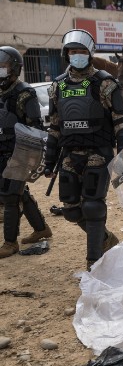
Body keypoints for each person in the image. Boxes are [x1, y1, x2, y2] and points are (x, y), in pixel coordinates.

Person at [44, 29, 123, 270]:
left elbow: (122, 123)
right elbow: (54, 126)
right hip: (70, 154)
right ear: (66, 54)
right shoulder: (58, 86)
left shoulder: (105, 83)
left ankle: (94, 260)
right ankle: (105, 238)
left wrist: (122, 156)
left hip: (98, 152)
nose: (77, 55)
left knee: (92, 206)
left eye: (82, 52)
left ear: (90, 54)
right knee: (71, 209)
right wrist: (49, 162)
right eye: (73, 52)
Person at [0, 46, 52, 258]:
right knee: (20, 194)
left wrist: (29, 158)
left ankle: (10, 243)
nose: (1, 70)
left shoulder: (25, 93)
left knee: (11, 197)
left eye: (4, 67)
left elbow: (35, 129)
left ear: (15, 68)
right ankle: (41, 229)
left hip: (20, 153)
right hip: (2, 152)